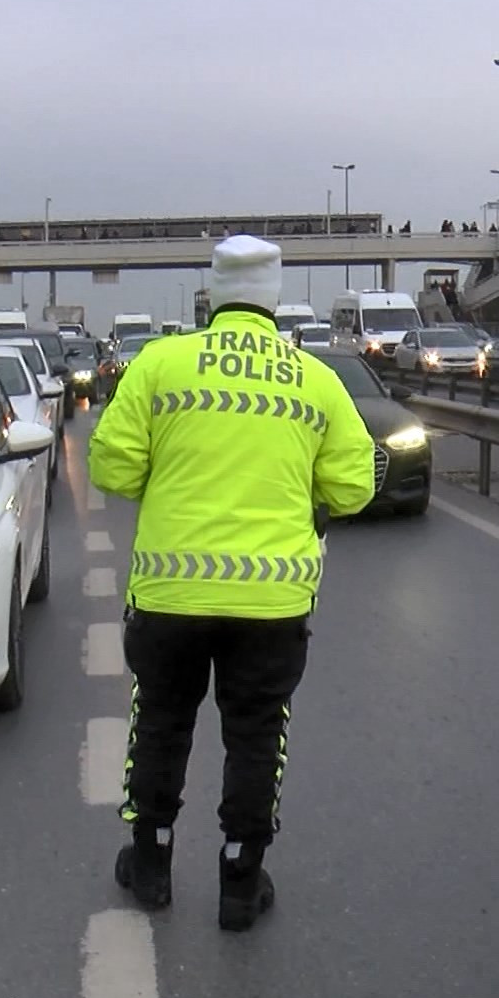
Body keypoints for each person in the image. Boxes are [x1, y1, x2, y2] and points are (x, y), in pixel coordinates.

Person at [88, 235, 375, 931]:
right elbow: (354, 485)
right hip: (271, 604)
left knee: (160, 724)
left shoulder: (161, 364)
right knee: (255, 736)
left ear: (211, 296)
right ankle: (241, 881)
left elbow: (111, 467)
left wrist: (176, 481)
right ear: (275, 302)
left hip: (169, 597)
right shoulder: (316, 380)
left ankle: (150, 862)